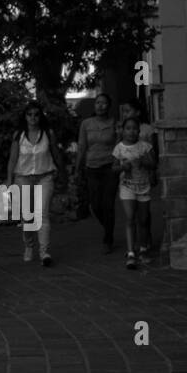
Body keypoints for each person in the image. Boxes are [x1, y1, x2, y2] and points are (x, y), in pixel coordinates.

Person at [6, 102, 64, 267]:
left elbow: (55, 153)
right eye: (29, 114)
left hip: (44, 177)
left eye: (36, 114)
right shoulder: (19, 135)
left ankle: (44, 251)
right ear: (25, 117)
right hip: (23, 178)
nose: (33, 118)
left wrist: (61, 171)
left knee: (42, 214)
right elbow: (12, 159)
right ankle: (29, 245)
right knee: (27, 217)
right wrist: (9, 181)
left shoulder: (47, 134)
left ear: (40, 116)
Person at [77, 93, 119, 253]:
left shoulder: (114, 123)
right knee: (95, 205)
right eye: (97, 103)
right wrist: (78, 167)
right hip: (91, 167)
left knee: (108, 204)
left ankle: (108, 238)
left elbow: (119, 145)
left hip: (110, 166)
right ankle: (108, 226)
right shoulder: (86, 124)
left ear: (109, 106)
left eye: (104, 103)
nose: (100, 106)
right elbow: (82, 146)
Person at [112, 117, 155, 269]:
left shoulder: (145, 147)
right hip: (127, 187)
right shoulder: (119, 148)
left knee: (143, 219)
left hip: (143, 187)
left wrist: (142, 162)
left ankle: (143, 248)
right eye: (128, 128)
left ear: (139, 131)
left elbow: (153, 164)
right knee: (130, 218)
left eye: (134, 128)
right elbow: (114, 168)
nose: (131, 131)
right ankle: (131, 252)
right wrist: (123, 167)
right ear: (123, 131)